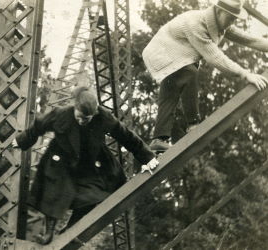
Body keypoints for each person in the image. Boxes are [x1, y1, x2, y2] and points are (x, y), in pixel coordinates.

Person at [14, 86, 158, 245]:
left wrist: (148, 157)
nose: (82, 121)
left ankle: (71, 229)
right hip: (61, 162)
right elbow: (38, 127)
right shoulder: (61, 114)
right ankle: (49, 232)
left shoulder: (103, 117)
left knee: (94, 196)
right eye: (80, 117)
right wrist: (21, 141)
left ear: (95, 113)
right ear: (75, 107)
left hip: (88, 164)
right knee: (53, 193)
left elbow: (126, 135)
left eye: (87, 119)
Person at [142, 0, 268, 152]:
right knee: (189, 72)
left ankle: (159, 139)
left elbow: (250, 40)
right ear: (219, 11)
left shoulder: (221, 23)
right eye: (231, 18)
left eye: (235, 19)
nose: (231, 22)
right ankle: (193, 124)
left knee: (172, 91)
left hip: (173, 53)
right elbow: (215, 58)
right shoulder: (196, 24)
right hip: (161, 52)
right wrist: (246, 74)